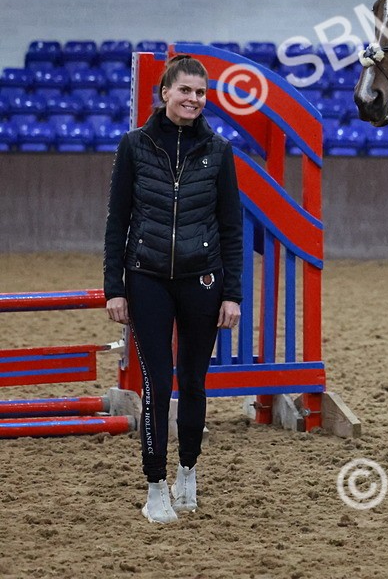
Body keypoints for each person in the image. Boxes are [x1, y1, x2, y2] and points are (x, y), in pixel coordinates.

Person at [103, 54, 243, 524]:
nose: (194, 99)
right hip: (145, 281)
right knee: (157, 384)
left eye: (201, 93)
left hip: (203, 282)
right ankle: (155, 485)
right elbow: (116, 222)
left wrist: (233, 295)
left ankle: (188, 470)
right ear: (165, 93)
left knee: (195, 382)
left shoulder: (220, 152)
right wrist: (114, 287)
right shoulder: (134, 145)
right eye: (185, 90)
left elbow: (231, 228)